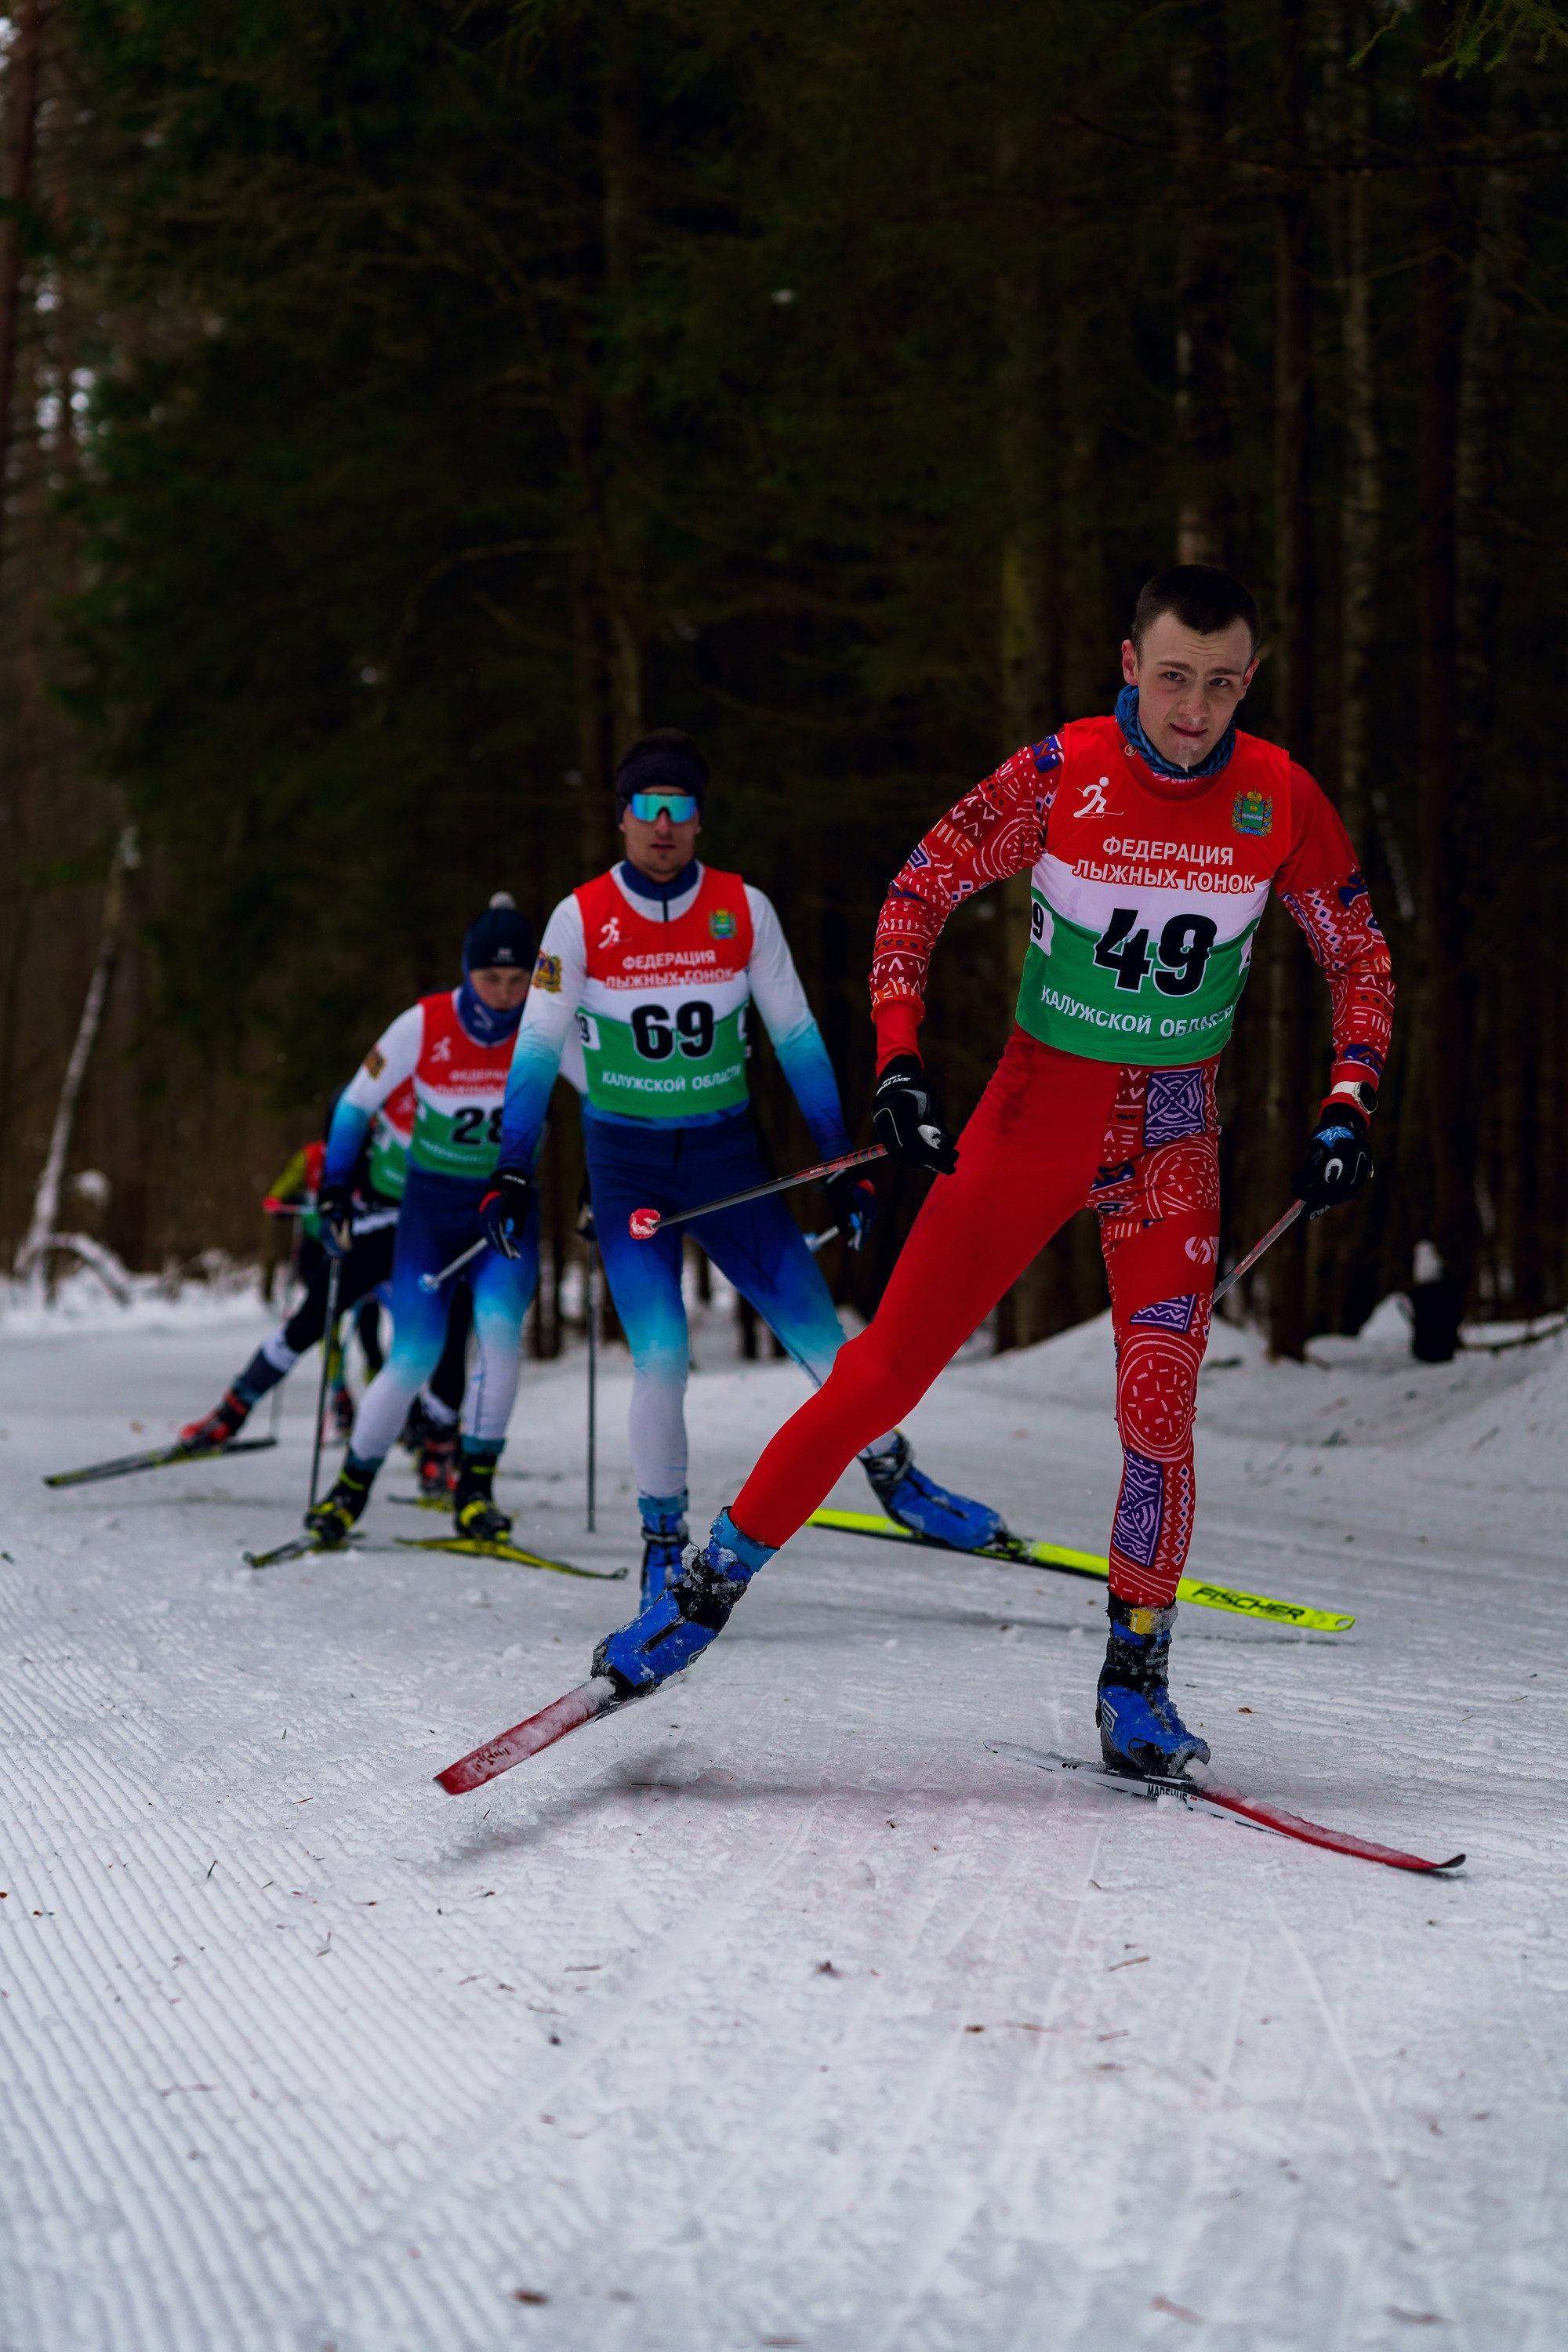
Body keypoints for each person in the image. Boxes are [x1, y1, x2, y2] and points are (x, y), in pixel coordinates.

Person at [572, 568, 1395, 1778]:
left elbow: (1359, 956)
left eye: (1222, 685)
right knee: (882, 1376)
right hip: (1033, 1114)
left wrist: (1347, 1099)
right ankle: (700, 1595)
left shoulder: (1281, 799)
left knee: (1158, 1411)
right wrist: (899, 1064)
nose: (1194, 711)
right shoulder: (1061, 776)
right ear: (1130, 663)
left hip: (1173, 1135)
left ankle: (1137, 1680)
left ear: (1251, 682)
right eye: (1173, 678)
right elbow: (917, 891)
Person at [480, 728, 1002, 1608]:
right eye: (647, 809)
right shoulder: (578, 918)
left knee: (822, 1340)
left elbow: (796, 1036)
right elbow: (534, 1052)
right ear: (620, 820)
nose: (663, 826)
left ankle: (897, 1479)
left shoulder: (742, 909)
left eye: (680, 810)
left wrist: (843, 1158)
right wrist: (512, 1169)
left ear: (698, 821)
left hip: (725, 1159)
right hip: (628, 1163)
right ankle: (659, 1542)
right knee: (662, 1356)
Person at [304, 895, 541, 1546]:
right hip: (432, 1212)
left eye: (519, 980)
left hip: (507, 1215)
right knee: (411, 1355)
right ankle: (349, 1492)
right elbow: (354, 1106)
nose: (504, 993)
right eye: (491, 978)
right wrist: (333, 1192)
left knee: (498, 1345)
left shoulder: (544, 1025)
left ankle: (475, 1492)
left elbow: (606, 1100)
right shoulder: (424, 1023)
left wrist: (603, 1185)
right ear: (468, 972)